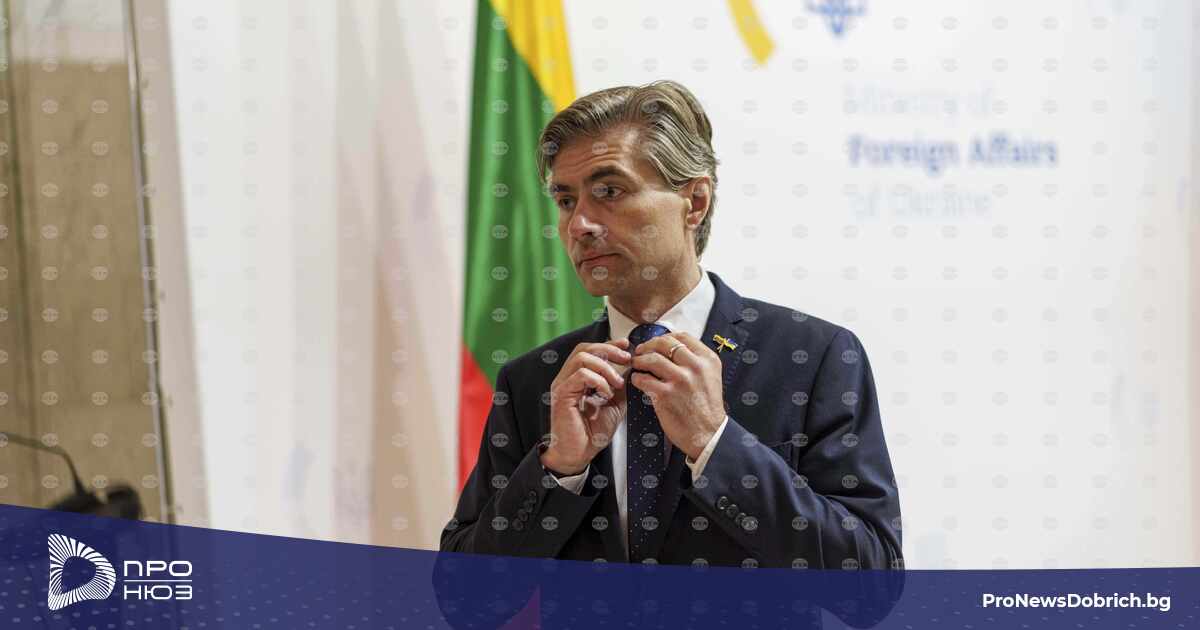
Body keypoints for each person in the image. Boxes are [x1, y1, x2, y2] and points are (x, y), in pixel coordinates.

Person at [440, 80, 902, 569]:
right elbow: (464, 595)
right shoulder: (534, 381)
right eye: (566, 200)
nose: (579, 226)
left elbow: (871, 576)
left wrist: (715, 444)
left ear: (695, 201)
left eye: (609, 191)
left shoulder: (813, 357)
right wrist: (558, 470)